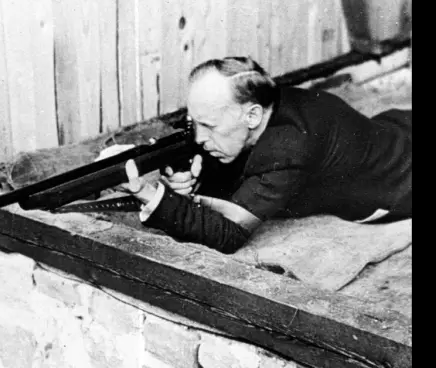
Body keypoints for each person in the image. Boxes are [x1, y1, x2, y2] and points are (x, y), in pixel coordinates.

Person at [105, 56, 411, 254]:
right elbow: (237, 153)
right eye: (194, 123)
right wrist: (176, 167)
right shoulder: (266, 102)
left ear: (252, 115)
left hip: (400, 183)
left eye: (209, 126)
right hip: (394, 129)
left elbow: (227, 234)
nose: (198, 137)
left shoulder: (288, 148)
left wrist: (151, 195)